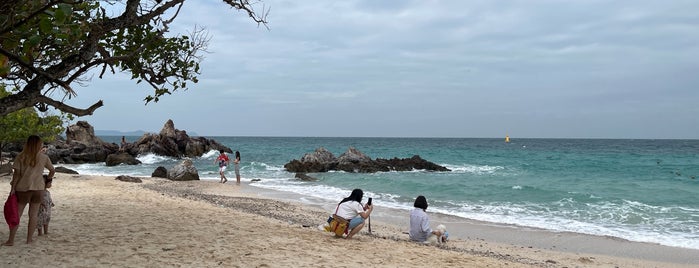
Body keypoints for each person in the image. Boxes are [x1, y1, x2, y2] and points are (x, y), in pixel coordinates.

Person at [3, 135, 55, 246]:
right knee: (33, 215)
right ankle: (29, 240)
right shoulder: (43, 157)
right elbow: (52, 170)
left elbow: (16, 175)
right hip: (38, 189)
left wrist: (12, 189)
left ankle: (11, 240)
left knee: (17, 214)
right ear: (38, 145)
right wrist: (48, 181)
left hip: (22, 189)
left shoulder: (21, 157)